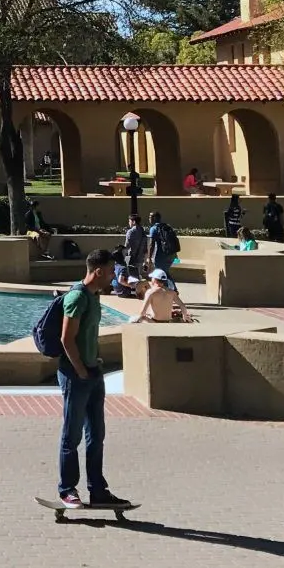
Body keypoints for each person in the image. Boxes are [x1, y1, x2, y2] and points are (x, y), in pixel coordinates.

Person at [56, 249, 130, 510]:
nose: (113, 277)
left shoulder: (95, 297)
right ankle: (67, 490)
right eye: (111, 272)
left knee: (96, 435)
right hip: (76, 376)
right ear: (98, 271)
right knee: (71, 436)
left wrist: (94, 365)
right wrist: (80, 370)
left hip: (92, 374)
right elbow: (66, 339)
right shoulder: (77, 297)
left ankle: (98, 490)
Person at [146, 211, 179, 276]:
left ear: (155, 218)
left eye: (150, 217)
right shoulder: (167, 226)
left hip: (161, 257)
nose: (149, 218)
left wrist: (149, 258)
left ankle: (170, 286)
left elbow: (151, 245)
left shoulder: (154, 228)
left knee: (160, 276)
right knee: (165, 274)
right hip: (172, 256)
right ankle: (171, 286)